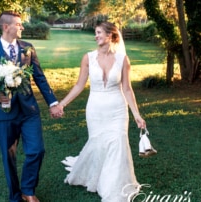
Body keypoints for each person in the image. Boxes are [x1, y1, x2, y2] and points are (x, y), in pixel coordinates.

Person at [57, 21, 146, 201]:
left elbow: (127, 89)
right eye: (95, 33)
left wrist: (136, 114)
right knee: (98, 144)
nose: (95, 36)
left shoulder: (123, 60)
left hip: (117, 109)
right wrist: (62, 104)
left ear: (110, 36)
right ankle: (97, 176)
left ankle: (114, 186)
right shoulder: (88, 58)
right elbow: (79, 85)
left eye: (99, 32)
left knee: (118, 144)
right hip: (95, 109)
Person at [0, 11, 62, 202]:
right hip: (4, 113)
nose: (22, 27)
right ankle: (16, 196)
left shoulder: (28, 48)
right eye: (18, 24)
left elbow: (39, 76)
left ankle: (28, 189)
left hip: (29, 110)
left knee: (37, 150)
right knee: (9, 158)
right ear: (6, 26)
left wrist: (53, 102)